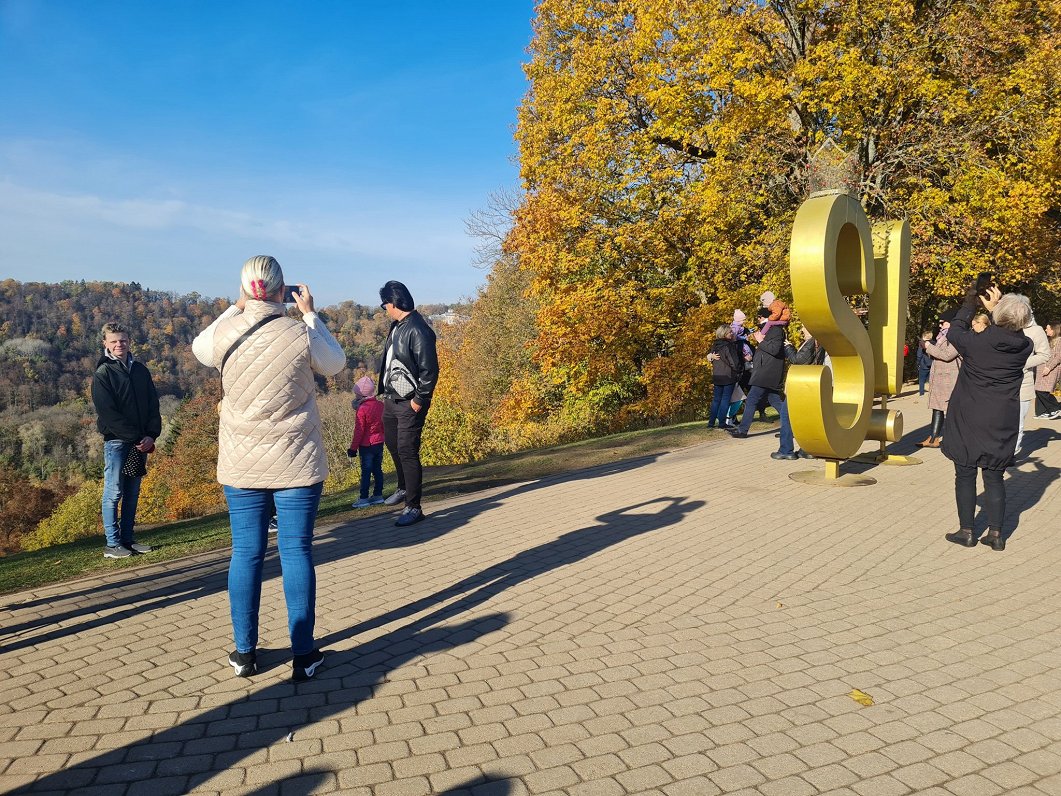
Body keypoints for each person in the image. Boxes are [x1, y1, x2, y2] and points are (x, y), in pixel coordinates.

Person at [192, 255, 346, 682]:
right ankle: (303, 654)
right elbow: (334, 363)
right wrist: (310, 313)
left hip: (241, 463)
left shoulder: (226, 332)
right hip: (295, 460)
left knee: (246, 554)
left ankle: (245, 654)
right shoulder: (299, 332)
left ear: (245, 290)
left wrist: (235, 307)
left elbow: (199, 347)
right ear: (283, 290)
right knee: (296, 551)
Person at [941, 284, 1032, 551]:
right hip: (1002, 419)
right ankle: (995, 535)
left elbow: (955, 329)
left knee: (965, 474)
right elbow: (1014, 330)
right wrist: (1000, 313)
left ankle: (966, 531)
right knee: (994, 477)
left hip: (969, 416)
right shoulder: (1024, 346)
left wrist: (972, 302)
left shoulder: (975, 342)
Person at [91, 323, 162, 559]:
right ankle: (112, 545)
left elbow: (153, 404)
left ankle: (128, 541)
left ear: (129, 341)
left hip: (142, 442)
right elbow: (108, 413)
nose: (119, 344)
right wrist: (136, 437)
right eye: (113, 341)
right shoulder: (103, 374)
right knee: (114, 492)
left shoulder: (140, 370)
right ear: (105, 343)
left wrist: (151, 435)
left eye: (122, 340)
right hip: (117, 443)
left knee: (132, 493)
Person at [377, 280, 439, 527]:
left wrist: (419, 400)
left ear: (394, 303)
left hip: (409, 402)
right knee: (392, 444)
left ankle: (414, 507)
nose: (384, 309)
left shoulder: (418, 329)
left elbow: (430, 370)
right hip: (391, 399)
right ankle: (403, 487)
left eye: (385, 304)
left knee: (407, 451)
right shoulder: (397, 326)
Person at [728, 308, 796, 459]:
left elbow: (774, 349)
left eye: (758, 318)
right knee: (775, 401)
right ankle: (792, 428)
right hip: (765, 372)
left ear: (763, 317)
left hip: (767, 372)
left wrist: (760, 341)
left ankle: (743, 430)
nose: (758, 321)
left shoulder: (776, 330)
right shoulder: (771, 329)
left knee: (752, 399)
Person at [919, 309, 961, 448]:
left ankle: (952, 439)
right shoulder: (942, 336)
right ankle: (933, 438)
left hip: (951, 379)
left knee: (951, 410)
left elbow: (947, 355)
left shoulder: (957, 335)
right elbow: (939, 354)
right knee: (937, 408)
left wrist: (927, 347)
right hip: (940, 379)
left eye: (943, 322)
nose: (940, 325)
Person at [1012, 298, 1049, 452]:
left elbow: (1045, 355)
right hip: (1002, 382)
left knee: (1017, 422)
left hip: (1023, 384)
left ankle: (1011, 453)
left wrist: (1022, 363)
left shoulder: (1036, 330)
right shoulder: (1007, 327)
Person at [348, 375, 386, 507]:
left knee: (366, 471)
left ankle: (363, 498)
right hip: (379, 442)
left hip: (366, 445)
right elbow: (383, 424)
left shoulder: (362, 410)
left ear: (361, 395)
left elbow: (359, 431)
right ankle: (378, 495)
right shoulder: (380, 405)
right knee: (377, 469)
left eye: (356, 394)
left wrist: (353, 448)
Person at [706, 325, 743, 429]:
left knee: (716, 400)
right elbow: (734, 362)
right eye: (730, 332)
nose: (732, 333)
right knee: (725, 400)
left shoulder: (715, 345)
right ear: (724, 333)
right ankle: (722, 423)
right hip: (728, 375)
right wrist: (738, 371)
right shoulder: (728, 346)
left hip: (717, 375)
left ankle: (711, 423)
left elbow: (711, 358)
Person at [1034, 321, 1061, 419]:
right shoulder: (1049, 340)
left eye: (1047, 328)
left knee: (1043, 391)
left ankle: (1055, 408)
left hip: (1050, 370)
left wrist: (1049, 367)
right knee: (1038, 390)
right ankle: (1042, 412)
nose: (1045, 329)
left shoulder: (1059, 341)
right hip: (1042, 369)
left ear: (1053, 330)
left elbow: (1058, 357)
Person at [915, 330, 933, 396]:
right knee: (932, 379)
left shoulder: (922, 344)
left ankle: (921, 393)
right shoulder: (935, 343)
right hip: (933, 364)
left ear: (924, 336)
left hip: (923, 364)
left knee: (921, 380)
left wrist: (918, 363)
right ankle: (931, 392)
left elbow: (919, 354)